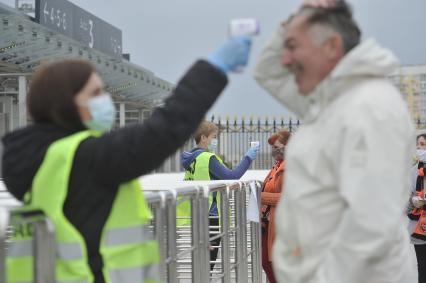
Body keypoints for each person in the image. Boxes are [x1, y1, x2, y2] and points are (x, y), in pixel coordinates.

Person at [2, 35, 252, 283]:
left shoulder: (34, 159)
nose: (105, 100)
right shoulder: (88, 157)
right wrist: (213, 70)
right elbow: (162, 130)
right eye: (96, 93)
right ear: (68, 103)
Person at [253, 0, 416, 282]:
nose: (285, 60)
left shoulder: (368, 109)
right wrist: (296, 20)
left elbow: (368, 229)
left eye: (292, 46)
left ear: (330, 46)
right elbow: (266, 71)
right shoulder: (332, 99)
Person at [180, 120, 259, 270]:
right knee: (209, 262)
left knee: (201, 261)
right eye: (213, 137)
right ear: (203, 138)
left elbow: (209, 179)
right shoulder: (207, 158)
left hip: (197, 213)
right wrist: (248, 158)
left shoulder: (191, 157)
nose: (215, 141)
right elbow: (232, 175)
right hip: (211, 214)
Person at [261, 130, 290, 283]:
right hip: (269, 223)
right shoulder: (277, 167)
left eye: (278, 147)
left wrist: (260, 197)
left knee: (272, 265)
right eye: (273, 147)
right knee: (267, 263)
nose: (274, 150)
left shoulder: (288, 167)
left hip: (281, 224)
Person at [408, 133, 426, 282]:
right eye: (418, 145)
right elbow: (403, 202)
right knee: (422, 266)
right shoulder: (413, 172)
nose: (420, 148)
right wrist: (412, 201)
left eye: (423, 144)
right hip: (419, 228)